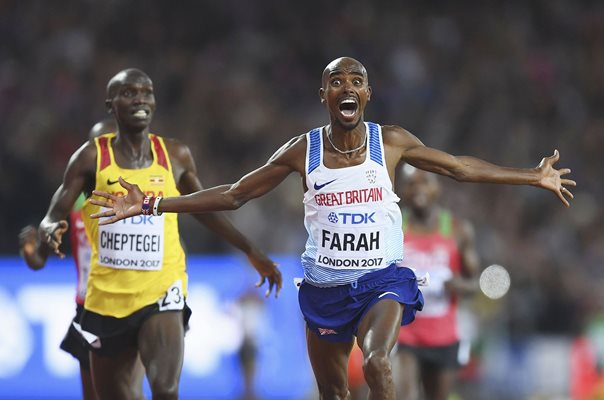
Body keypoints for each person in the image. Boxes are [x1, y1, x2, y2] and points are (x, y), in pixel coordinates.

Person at [90, 57, 575, 399]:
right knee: (334, 392)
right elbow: (236, 193)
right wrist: (154, 203)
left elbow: (459, 168)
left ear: (367, 94)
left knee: (379, 361)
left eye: (356, 80)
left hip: (382, 280)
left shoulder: (392, 142)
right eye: (337, 81)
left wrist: (531, 175)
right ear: (325, 95)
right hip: (324, 286)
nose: (347, 87)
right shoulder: (304, 150)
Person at [28, 68, 282, 400]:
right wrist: (49, 230)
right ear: (111, 104)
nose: (140, 100)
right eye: (129, 93)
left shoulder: (175, 156)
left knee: (165, 388)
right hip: (107, 297)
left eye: (146, 92)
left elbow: (204, 208)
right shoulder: (91, 158)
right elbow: (52, 216)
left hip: (162, 289)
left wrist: (251, 250)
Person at [19, 119, 145, 400]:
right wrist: (31, 250)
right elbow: (39, 259)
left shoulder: (138, 196)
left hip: (133, 305)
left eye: (111, 147)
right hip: (89, 308)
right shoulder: (70, 201)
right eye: (96, 149)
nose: (104, 157)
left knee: (129, 390)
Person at [395, 165, 480, 400]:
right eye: (412, 183)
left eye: (425, 182)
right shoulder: (393, 228)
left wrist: (457, 285)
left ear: (437, 188)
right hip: (405, 334)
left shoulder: (458, 230)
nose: (418, 189)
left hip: (444, 337)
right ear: (403, 189)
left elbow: (475, 285)